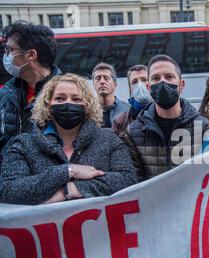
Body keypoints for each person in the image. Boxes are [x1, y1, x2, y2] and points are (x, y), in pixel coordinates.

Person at [0, 73, 138, 205]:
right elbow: (8, 189)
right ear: (47, 106)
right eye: (60, 98)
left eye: (76, 99)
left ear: (87, 106)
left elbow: (128, 179)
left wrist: (69, 190)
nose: (68, 104)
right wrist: (68, 171)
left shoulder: (109, 139)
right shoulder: (23, 144)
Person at [126, 54, 209, 180]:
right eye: (156, 78)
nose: (162, 82)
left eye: (169, 77)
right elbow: (135, 183)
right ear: (149, 88)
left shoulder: (204, 127)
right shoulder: (133, 133)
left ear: (181, 85)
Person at [0, 20, 61, 158]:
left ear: (31, 55)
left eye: (10, 50)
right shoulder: (5, 93)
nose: (6, 56)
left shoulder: (66, 96)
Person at [112, 64, 152, 138]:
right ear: (130, 89)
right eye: (135, 82)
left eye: (144, 80)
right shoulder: (120, 122)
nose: (140, 84)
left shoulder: (165, 112)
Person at [92, 62, 129, 128]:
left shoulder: (127, 110)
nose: (102, 81)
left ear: (115, 85)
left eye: (106, 78)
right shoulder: (88, 111)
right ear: (93, 85)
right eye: (98, 78)